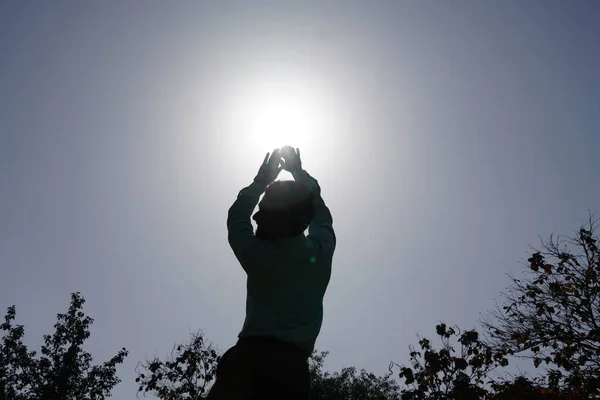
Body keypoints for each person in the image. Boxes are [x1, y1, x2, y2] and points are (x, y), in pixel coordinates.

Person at [207, 147, 336, 400]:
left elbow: (238, 216)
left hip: (244, 366)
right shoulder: (321, 251)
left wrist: (260, 182)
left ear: (290, 219)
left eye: (265, 211)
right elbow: (321, 214)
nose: (257, 216)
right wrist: (299, 174)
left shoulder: (256, 255)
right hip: (292, 376)